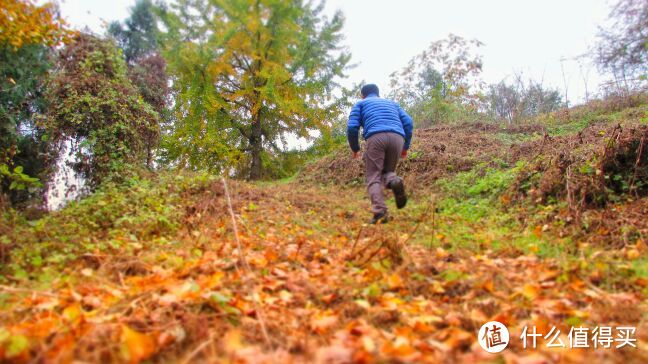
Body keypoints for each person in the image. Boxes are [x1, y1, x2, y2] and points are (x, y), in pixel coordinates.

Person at [347, 84, 414, 224]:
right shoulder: (392, 104)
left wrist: (355, 148)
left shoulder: (361, 104)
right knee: (387, 172)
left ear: (363, 95)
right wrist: (405, 146)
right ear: (378, 93)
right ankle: (394, 181)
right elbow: (408, 122)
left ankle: (380, 212)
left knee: (373, 176)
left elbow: (352, 127)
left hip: (376, 137)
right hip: (397, 138)